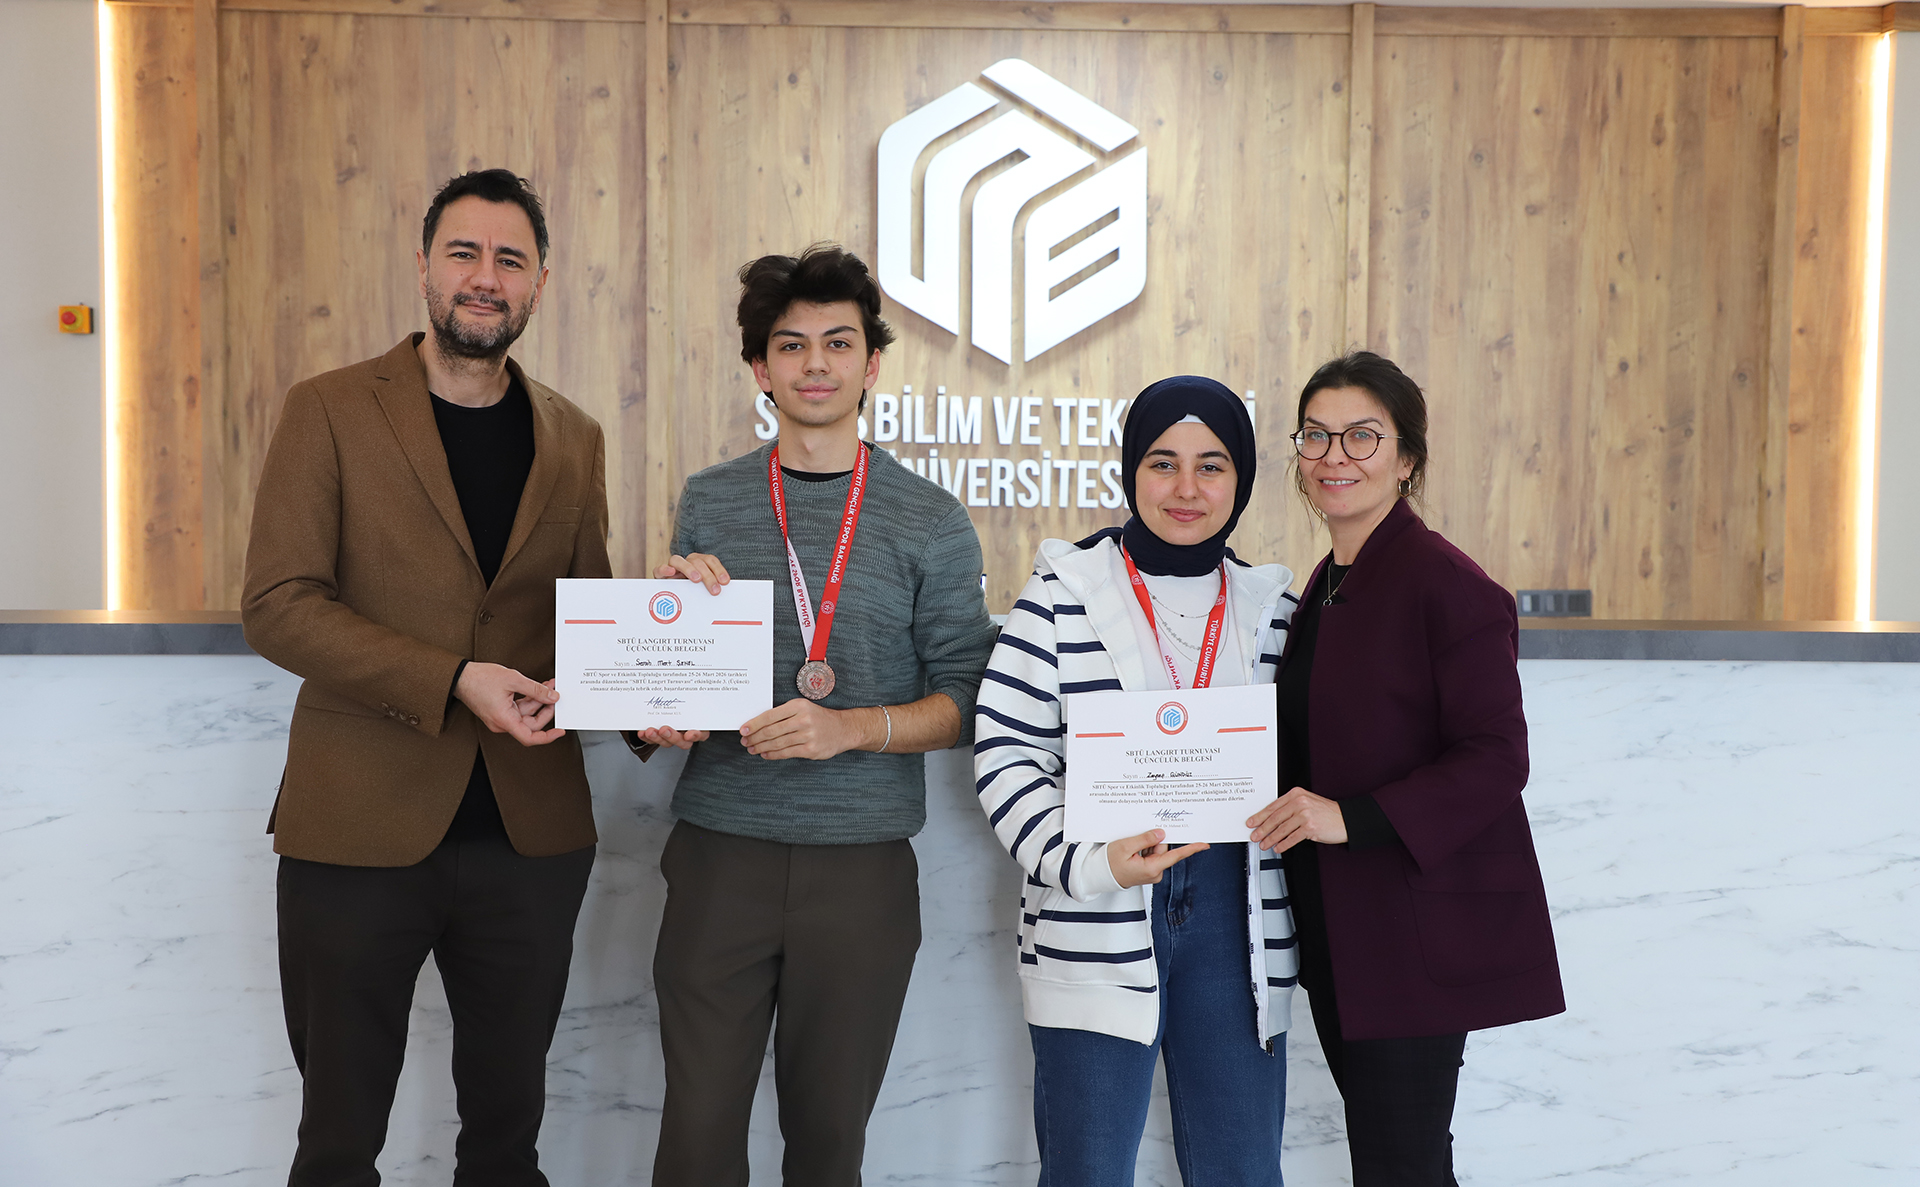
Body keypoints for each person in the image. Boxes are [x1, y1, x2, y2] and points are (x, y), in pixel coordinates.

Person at [241, 169, 609, 1185]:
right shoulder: (327, 409)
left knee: (506, 1144)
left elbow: (584, 618)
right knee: (338, 1141)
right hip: (357, 826)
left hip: (530, 837)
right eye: (464, 253)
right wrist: (452, 678)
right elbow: (278, 602)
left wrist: (654, 689)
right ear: (423, 267)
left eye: (510, 259)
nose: (485, 277)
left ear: (539, 284)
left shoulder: (575, 436)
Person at [630, 243, 997, 1186]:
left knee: (830, 1145)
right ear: (761, 368)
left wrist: (852, 727)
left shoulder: (930, 518)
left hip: (861, 869)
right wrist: (660, 702)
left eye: (839, 343)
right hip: (720, 853)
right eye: (791, 346)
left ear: (872, 364)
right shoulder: (711, 500)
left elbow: (965, 697)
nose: (816, 364)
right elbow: (671, 679)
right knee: (695, 1142)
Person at [973, 376, 1300, 1187]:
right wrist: (1090, 862)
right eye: (1162, 463)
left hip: (1236, 914)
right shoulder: (1061, 594)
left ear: (1241, 479)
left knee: (1243, 1171)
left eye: (1211, 465)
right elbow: (1006, 751)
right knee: (1086, 1170)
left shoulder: (1274, 610)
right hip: (1098, 906)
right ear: (1130, 471)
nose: (1186, 488)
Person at [1248, 351, 1564, 1186]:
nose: (1334, 455)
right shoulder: (1328, 583)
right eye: (1316, 435)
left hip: (1410, 933)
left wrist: (1348, 815)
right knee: (1399, 1162)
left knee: (1401, 1164)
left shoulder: (1447, 584)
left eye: (1362, 435)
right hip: (1342, 926)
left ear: (1406, 459)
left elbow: (1498, 755)